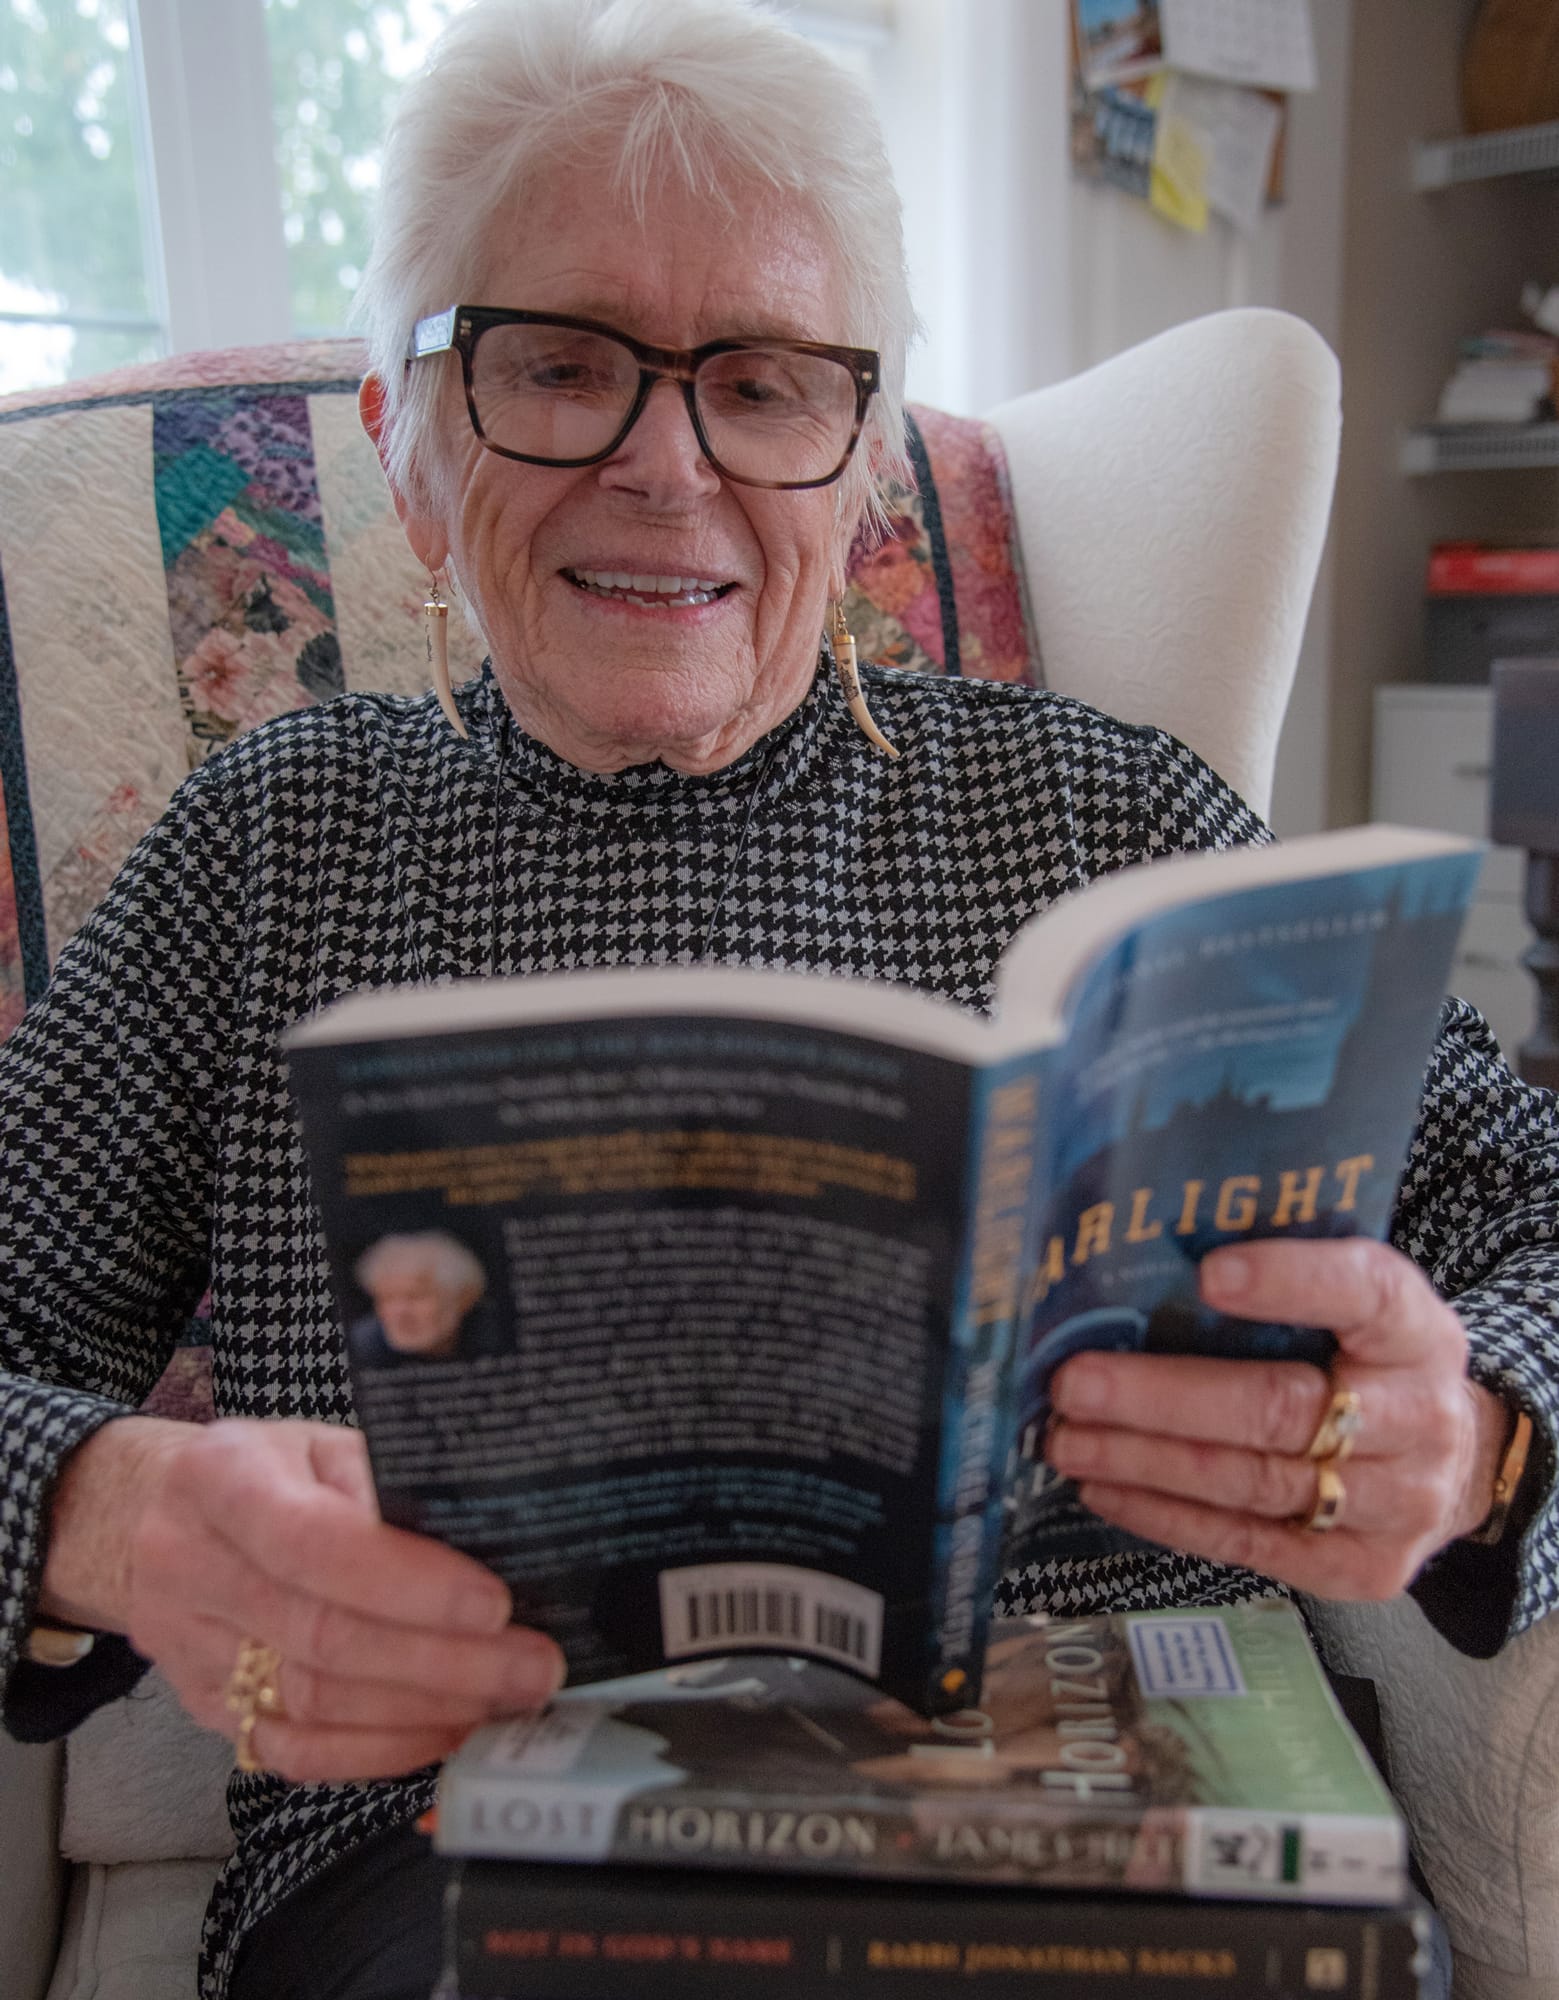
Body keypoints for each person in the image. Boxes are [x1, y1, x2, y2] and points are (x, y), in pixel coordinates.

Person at [0, 3, 1553, 1997]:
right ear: (408, 446)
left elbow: (1528, 1213)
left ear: (862, 468)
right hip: (456, 1859)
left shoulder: (1110, 820)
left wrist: (1477, 1431)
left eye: (759, 383)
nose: (666, 465)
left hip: (1120, 1828)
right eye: (559, 364)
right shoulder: (272, 846)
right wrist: (107, 1515)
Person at [347, 1233, 501, 1367]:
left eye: (415, 1297)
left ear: (464, 1298)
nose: (400, 1312)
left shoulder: (498, 1334)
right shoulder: (362, 1347)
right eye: (386, 1299)